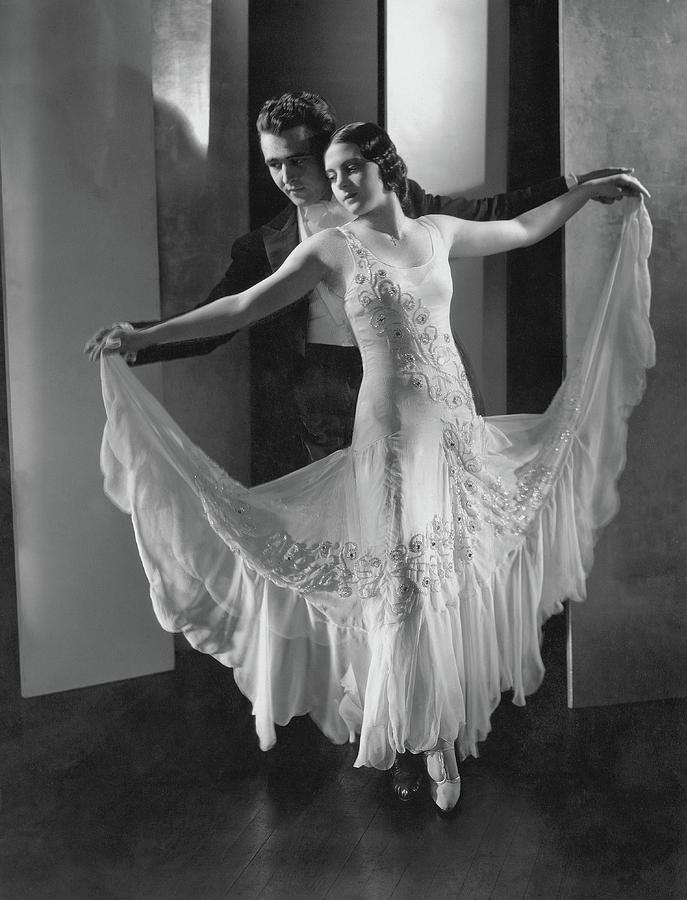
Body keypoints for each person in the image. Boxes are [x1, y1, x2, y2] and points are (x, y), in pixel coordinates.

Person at [89, 123, 652, 816]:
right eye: (333, 173)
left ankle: (436, 730)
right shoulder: (331, 247)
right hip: (389, 437)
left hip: (453, 429)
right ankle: (416, 743)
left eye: (351, 168)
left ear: (385, 167)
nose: (340, 184)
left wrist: (586, 190)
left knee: (446, 570)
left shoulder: (437, 231)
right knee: (404, 581)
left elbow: (524, 228)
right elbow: (242, 305)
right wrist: (144, 336)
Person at [86, 90, 633, 486]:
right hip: (328, 393)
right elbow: (226, 315)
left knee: (444, 531)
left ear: (330, 155)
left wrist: (578, 186)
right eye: (273, 164)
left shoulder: (406, 205)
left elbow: (502, 217)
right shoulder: (265, 247)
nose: (284, 177)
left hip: (430, 389)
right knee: (361, 548)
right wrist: (140, 338)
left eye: (298, 160)